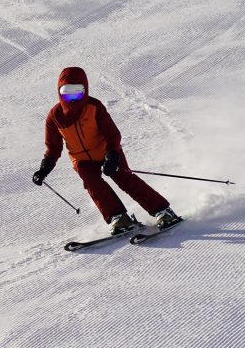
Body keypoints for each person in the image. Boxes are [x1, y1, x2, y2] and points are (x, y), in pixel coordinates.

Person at [32, 67, 179, 234]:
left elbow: (112, 134)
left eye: (77, 94)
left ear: (85, 91)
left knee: (124, 179)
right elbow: (53, 147)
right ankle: (119, 218)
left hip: (106, 151)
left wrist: (112, 156)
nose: (72, 100)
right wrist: (44, 169)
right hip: (81, 159)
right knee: (92, 184)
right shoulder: (55, 117)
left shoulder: (94, 107)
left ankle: (163, 211)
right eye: (67, 95)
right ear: (60, 93)